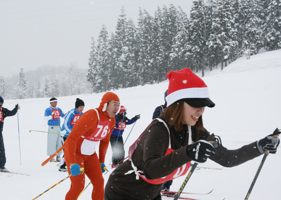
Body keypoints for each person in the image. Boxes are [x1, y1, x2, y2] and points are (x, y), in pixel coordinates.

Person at [105, 68, 280, 200]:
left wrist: (259, 146)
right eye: (195, 105)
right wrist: (188, 153)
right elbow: (152, 170)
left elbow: (227, 158)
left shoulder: (196, 132)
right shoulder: (159, 129)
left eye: (203, 105)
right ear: (177, 103)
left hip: (149, 194)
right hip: (121, 191)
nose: (200, 111)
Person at [64, 92, 120, 200]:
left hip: (90, 154)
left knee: (99, 183)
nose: (117, 108)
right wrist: (72, 163)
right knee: (78, 186)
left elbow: (105, 141)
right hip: (76, 153)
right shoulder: (92, 115)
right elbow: (71, 138)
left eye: (118, 104)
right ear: (105, 104)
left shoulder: (111, 120)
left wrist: (101, 161)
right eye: (114, 104)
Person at [152, 90, 172, 192]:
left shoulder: (179, 110)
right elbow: (153, 123)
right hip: (160, 141)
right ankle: (157, 186)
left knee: (171, 165)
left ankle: (167, 185)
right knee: (160, 164)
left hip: (173, 141)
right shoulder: (160, 109)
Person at [58, 98, 85, 172]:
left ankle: (72, 164)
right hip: (65, 135)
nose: (82, 109)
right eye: (80, 107)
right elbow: (66, 124)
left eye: (83, 107)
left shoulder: (81, 114)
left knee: (74, 150)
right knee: (67, 151)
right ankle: (62, 166)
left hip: (74, 136)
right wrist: (72, 132)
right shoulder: (71, 113)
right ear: (77, 107)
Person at [44, 97, 65, 162]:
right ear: (51, 103)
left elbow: (63, 116)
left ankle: (58, 156)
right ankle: (51, 156)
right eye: (54, 102)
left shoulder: (58, 109)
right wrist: (51, 116)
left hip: (58, 126)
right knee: (52, 141)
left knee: (59, 141)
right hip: (52, 127)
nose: (55, 103)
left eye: (56, 102)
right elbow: (45, 118)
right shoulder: (48, 109)